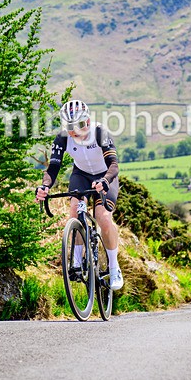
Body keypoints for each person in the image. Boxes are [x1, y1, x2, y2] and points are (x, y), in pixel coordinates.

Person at [36, 100, 124, 290]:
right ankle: (76, 263)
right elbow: (52, 169)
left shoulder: (99, 133)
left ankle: (114, 267)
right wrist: (44, 187)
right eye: (70, 126)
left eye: (80, 125)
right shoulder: (62, 138)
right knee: (75, 211)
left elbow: (114, 165)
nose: (75, 131)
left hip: (105, 175)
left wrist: (105, 182)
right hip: (81, 174)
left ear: (89, 121)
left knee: (103, 217)